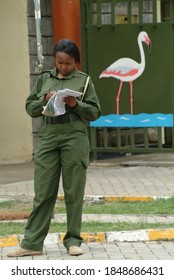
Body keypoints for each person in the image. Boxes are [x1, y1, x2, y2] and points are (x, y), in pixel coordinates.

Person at [7, 39, 101, 257]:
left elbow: (95, 112)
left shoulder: (84, 81)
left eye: (67, 64)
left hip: (74, 138)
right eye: (59, 63)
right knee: (43, 193)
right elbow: (30, 108)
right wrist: (44, 98)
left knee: (73, 192)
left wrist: (77, 105)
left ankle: (73, 241)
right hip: (48, 137)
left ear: (76, 62)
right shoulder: (43, 79)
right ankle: (32, 243)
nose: (63, 67)